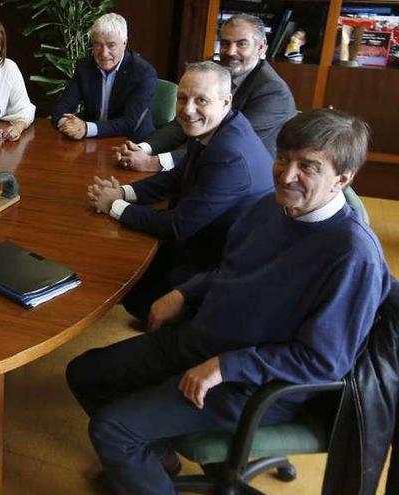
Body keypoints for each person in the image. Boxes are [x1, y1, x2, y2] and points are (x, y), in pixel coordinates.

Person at [68, 108, 391, 495]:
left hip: (252, 383)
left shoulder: (352, 254)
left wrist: (228, 365)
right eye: (283, 159)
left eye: (308, 167)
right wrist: (185, 292)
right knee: (85, 373)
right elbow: (230, 267)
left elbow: (324, 361)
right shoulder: (271, 207)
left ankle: (139, 459)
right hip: (201, 340)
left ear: (342, 178)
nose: (287, 176)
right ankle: (154, 462)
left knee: (113, 430)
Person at [89, 61, 272, 321]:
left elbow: (178, 226)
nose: (188, 110)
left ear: (225, 101)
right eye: (182, 98)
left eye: (201, 100)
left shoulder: (230, 154)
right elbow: (177, 177)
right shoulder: (220, 127)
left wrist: (113, 206)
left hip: (225, 263)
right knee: (123, 265)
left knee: (130, 281)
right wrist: (124, 192)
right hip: (205, 233)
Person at [116, 13, 295, 171]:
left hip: (240, 178)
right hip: (198, 167)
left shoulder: (272, 92)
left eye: (241, 44)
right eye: (225, 43)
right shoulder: (215, 73)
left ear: (261, 47)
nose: (231, 52)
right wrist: (142, 149)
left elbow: (223, 143)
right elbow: (181, 123)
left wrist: (154, 162)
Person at [50, 12, 157, 142]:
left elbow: (129, 123)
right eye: (97, 45)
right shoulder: (84, 67)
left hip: (132, 144)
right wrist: (69, 125)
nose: (104, 53)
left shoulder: (143, 73)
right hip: (92, 142)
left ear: (124, 43)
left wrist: (86, 128)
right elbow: (60, 109)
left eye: (111, 45)